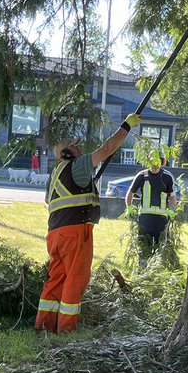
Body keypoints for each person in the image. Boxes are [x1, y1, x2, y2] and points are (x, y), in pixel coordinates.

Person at [35, 113, 141, 332]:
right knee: (75, 279)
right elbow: (107, 149)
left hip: (55, 234)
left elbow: (50, 201)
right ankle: (66, 330)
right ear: (67, 152)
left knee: (56, 279)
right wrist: (126, 126)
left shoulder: (55, 172)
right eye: (76, 147)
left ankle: (44, 325)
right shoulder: (78, 165)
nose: (80, 149)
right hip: (75, 232)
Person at [124, 156, 178, 263]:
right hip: (145, 219)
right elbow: (130, 193)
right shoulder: (141, 176)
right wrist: (129, 207)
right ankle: (143, 270)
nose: (155, 165)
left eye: (157, 162)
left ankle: (156, 271)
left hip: (161, 220)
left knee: (160, 248)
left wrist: (172, 209)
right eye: (152, 162)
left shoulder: (167, 177)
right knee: (144, 247)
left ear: (162, 162)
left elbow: (172, 197)